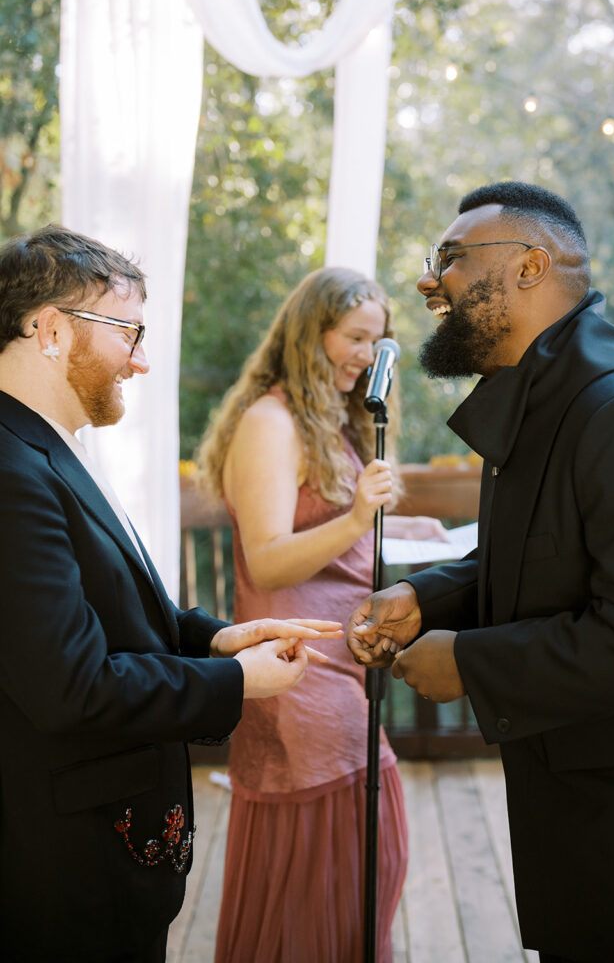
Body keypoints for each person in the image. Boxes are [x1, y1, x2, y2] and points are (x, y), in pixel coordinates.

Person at [348, 182, 614, 963]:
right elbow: (541, 555)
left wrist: (469, 662)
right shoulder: (543, 388)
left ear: (531, 266)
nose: (431, 282)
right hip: (571, 780)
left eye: (451, 260)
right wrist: (424, 599)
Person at [0, 224, 342, 963]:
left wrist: (219, 638)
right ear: (52, 330)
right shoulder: (11, 472)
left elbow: (106, 614)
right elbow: (71, 686)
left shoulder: (45, 446)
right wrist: (235, 682)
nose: (143, 359)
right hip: (66, 864)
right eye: (129, 331)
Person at [197, 266, 446, 963]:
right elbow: (271, 558)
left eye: (379, 341)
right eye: (356, 337)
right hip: (300, 672)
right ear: (312, 334)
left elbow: (334, 536)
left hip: (344, 661)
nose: (369, 356)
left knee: (367, 862)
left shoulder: (327, 423)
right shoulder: (271, 422)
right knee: (317, 874)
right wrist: (361, 514)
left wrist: (407, 530)